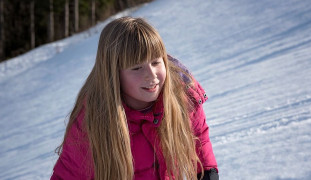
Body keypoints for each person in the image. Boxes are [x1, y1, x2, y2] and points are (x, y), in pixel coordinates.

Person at [51, 17, 218, 180]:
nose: (151, 75)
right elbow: (68, 173)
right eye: (137, 68)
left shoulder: (181, 93)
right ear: (113, 74)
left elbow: (199, 138)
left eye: (155, 62)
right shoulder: (93, 120)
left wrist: (207, 173)